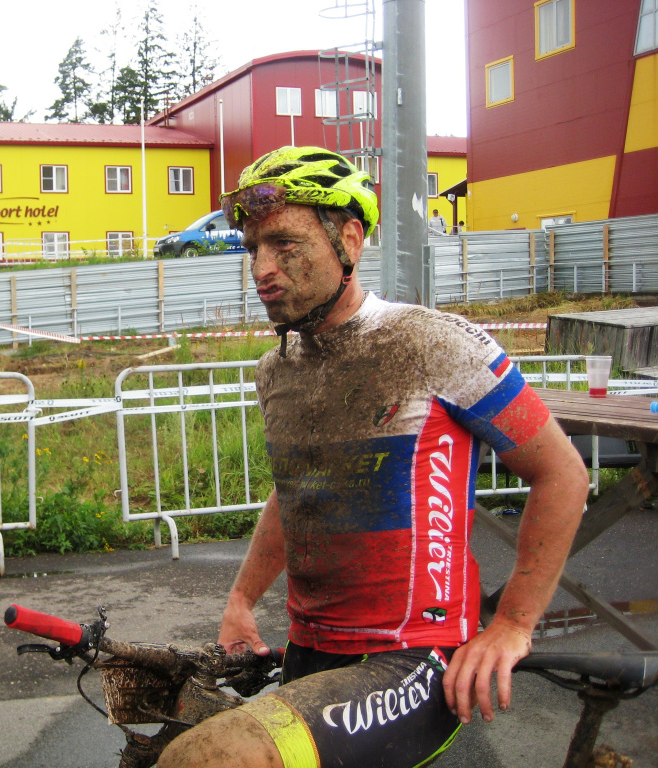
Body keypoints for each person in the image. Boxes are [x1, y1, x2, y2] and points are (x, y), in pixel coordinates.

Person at [157, 147, 588, 768]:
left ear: (350, 239)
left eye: (285, 244)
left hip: (412, 658)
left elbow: (562, 474)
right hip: (313, 649)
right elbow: (295, 489)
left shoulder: (433, 342)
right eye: (253, 248)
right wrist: (242, 601)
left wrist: (513, 625)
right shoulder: (276, 370)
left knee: (211, 759)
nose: (262, 269)